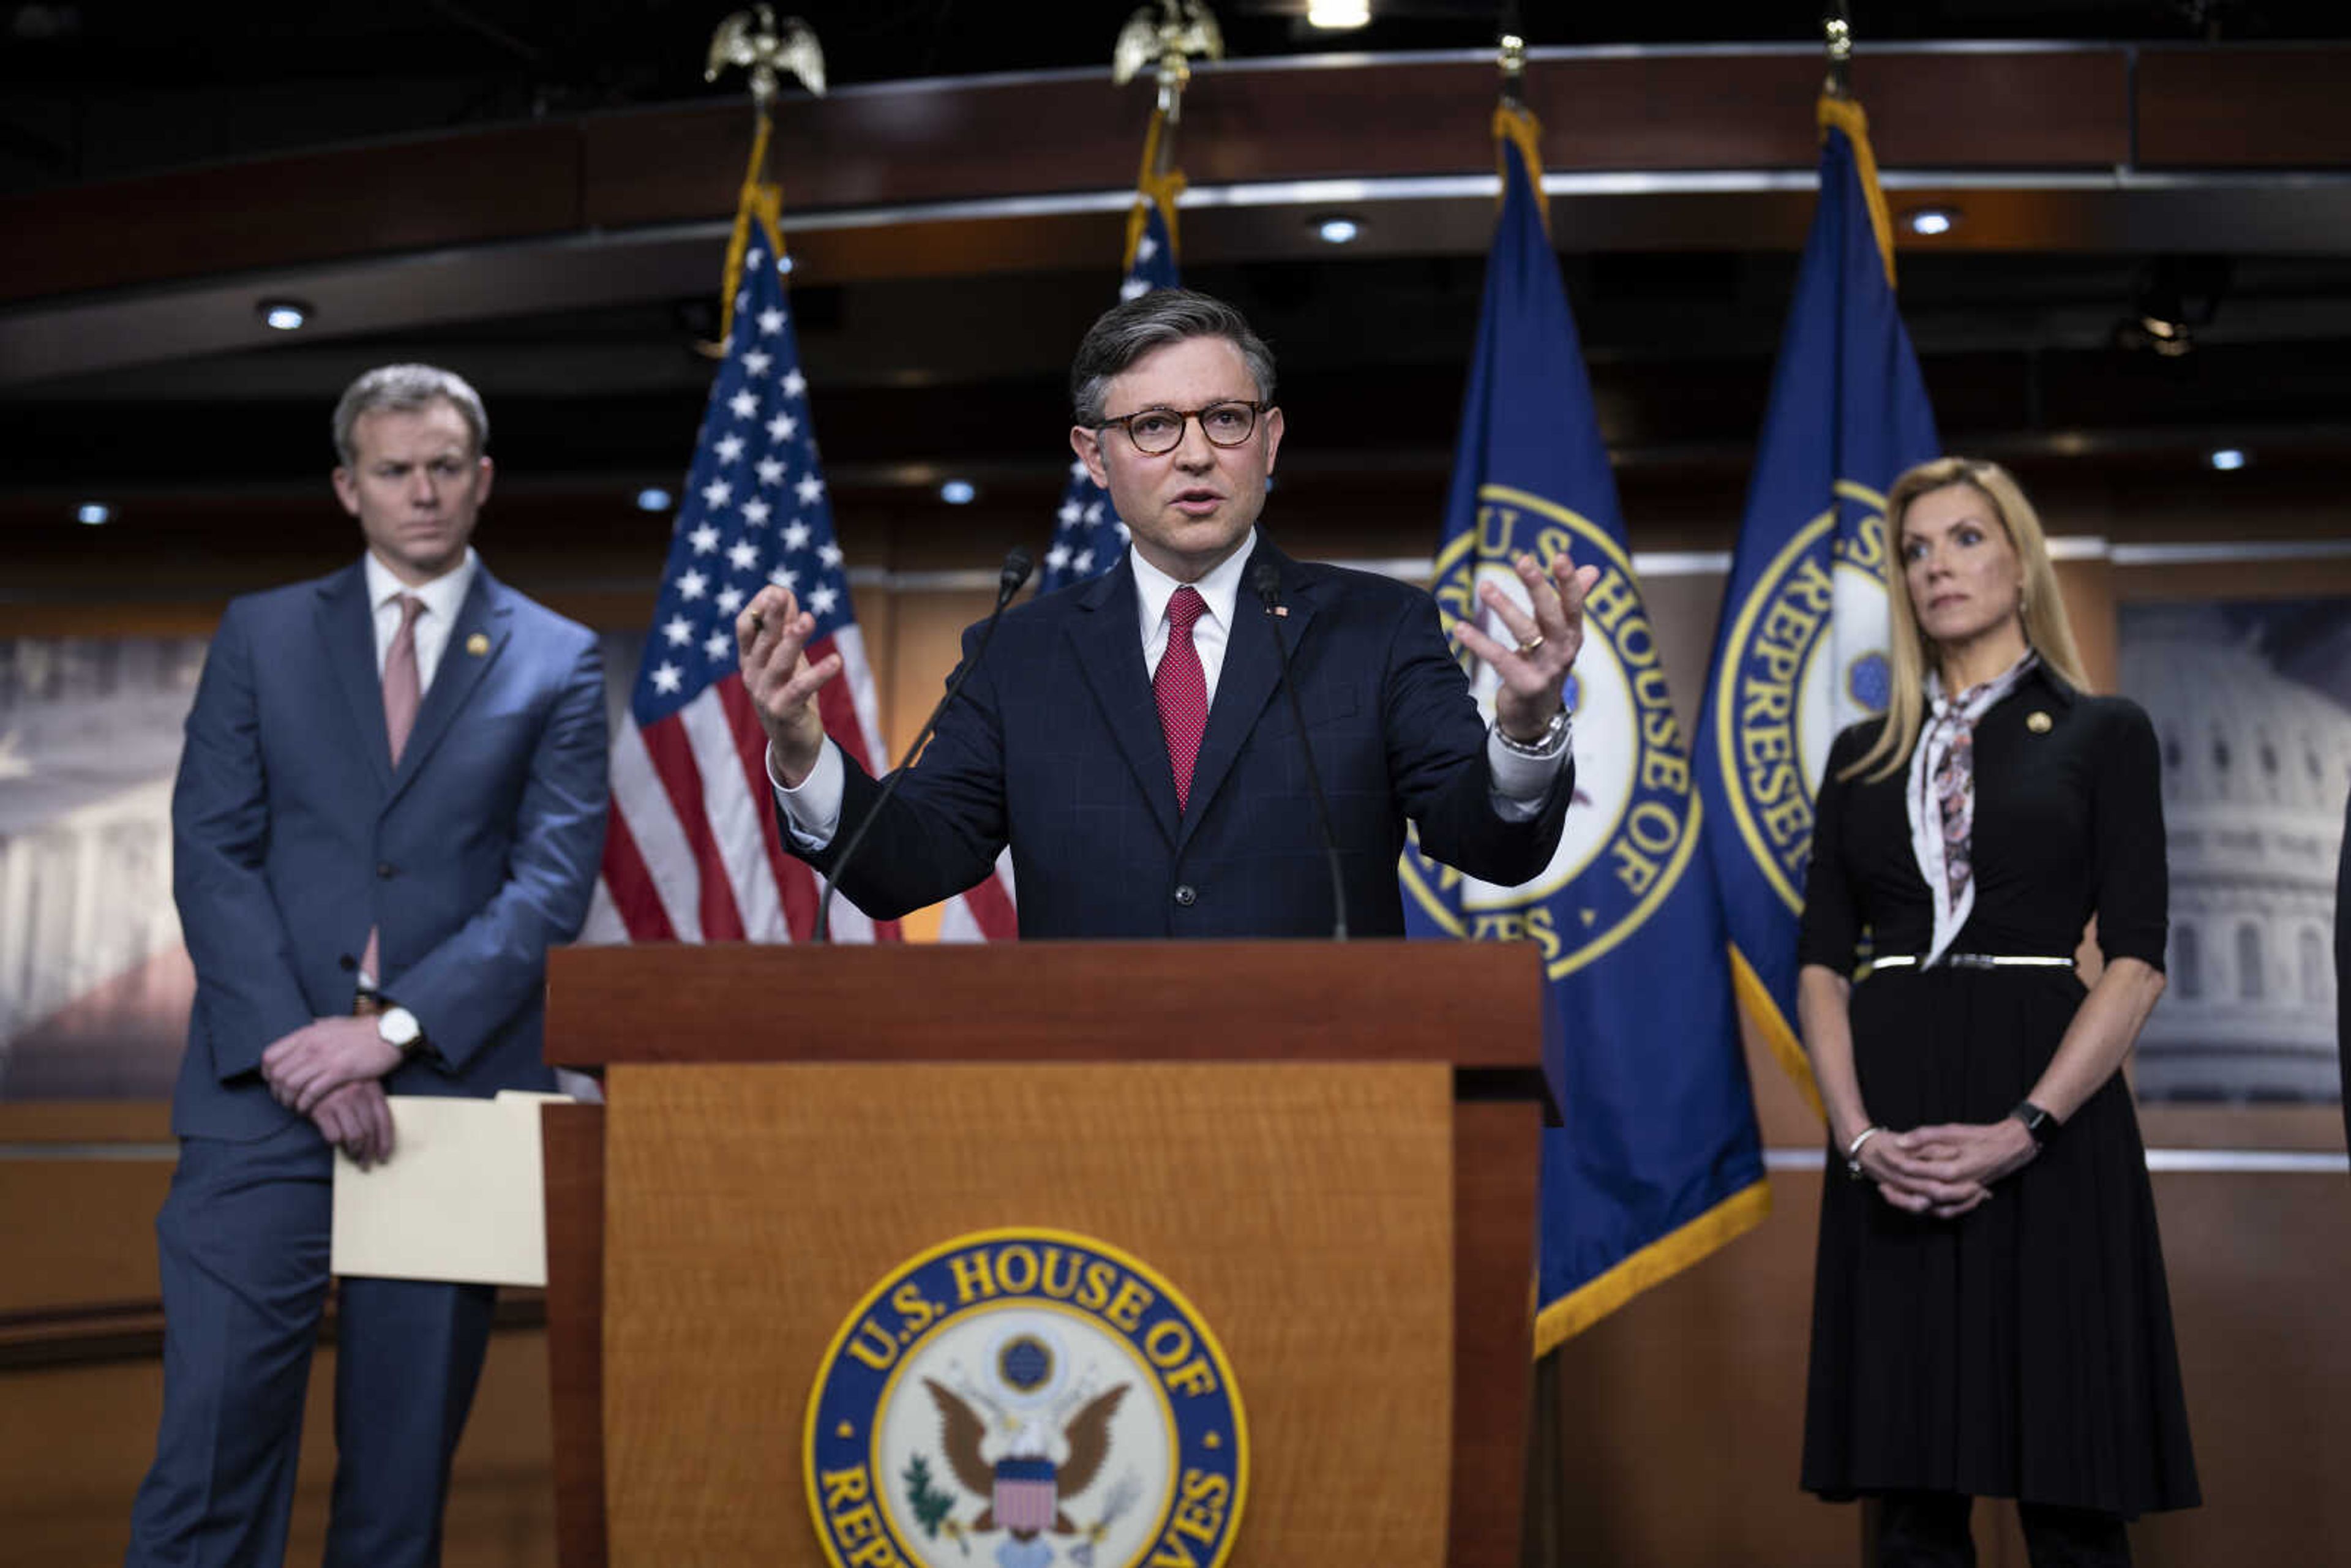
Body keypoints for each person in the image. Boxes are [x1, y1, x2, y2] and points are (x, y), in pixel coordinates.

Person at [127, 365, 610, 1568]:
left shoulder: (558, 658)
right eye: (395, 470)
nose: (424, 492)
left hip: (450, 1100)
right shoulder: (262, 633)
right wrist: (309, 1052)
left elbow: (549, 889)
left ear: (483, 476)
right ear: (349, 487)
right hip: (260, 1094)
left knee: (397, 1499)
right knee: (210, 1463)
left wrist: (386, 1034)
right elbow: (213, 853)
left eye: (447, 466)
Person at [736, 288, 1595, 935]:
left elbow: (1489, 843)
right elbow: (903, 865)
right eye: (1153, 424)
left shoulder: (1380, 630)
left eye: (1225, 418)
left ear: (1270, 440)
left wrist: (1522, 730)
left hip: (1331, 1110)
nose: (1194, 452)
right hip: (1088, 1108)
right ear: (1095, 455)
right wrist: (802, 749)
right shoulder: (1020, 653)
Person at [1798, 456, 2199, 1564]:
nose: (1938, 567)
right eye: (1917, 549)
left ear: (2019, 563)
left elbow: (2137, 960)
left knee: (2071, 1496)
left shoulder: (2104, 732)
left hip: (2051, 1125)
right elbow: (1822, 964)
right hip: (1897, 1142)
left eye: (1966, 538)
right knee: (1914, 1504)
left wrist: (2027, 1127)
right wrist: (1860, 1138)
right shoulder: (1858, 758)